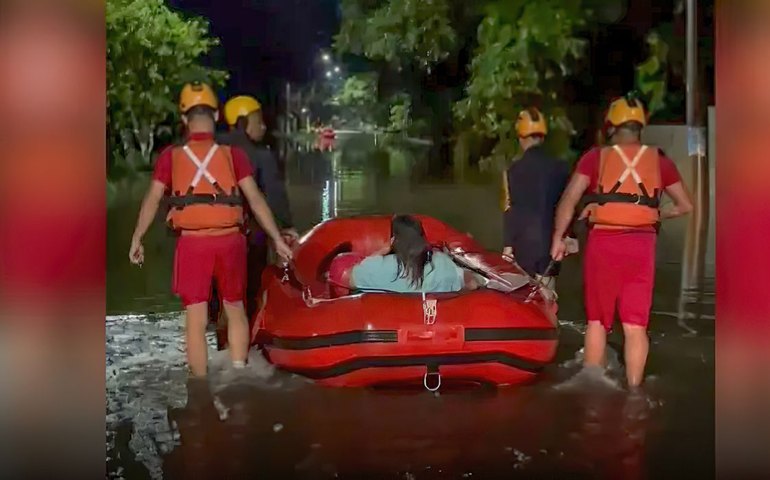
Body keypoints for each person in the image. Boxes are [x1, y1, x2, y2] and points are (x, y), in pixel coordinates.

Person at [128, 82, 293, 378]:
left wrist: (137, 238)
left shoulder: (170, 157)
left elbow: (152, 200)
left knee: (195, 317)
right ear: (216, 116)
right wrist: (277, 239)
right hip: (231, 242)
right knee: (235, 308)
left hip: (193, 244)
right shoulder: (234, 155)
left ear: (183, 119)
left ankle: (201, 385)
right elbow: (255, 199)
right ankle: (240, 374)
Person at [550, 95, 693, 388]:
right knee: (635, 325)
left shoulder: (595, 157)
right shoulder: (660, 161)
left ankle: (591, 391)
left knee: (597, 322)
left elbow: (568, 200)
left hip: (604, 243)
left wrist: (558, 238)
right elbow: (685, 206)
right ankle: (635, 391)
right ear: (641, 127)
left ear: (611, 127)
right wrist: (653, 213)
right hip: (642, 247)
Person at [207, 95, 297, 334]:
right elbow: (274, 197)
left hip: (206, 238)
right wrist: (284, 229)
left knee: (216, 299)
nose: (264, 127)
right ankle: (246, 343)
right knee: (249, 293)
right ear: (244, 122)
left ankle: (220, 339)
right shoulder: (260, 154)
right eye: (258, 122)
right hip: (247, 238)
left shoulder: (208, 150)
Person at [502, 107, 574, 289]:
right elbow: (568, 205)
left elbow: (511, 209)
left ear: (520, 137)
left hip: (522, 247)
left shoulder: (513, 170)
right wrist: (568, 237)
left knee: (524, 303)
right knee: (547, 301)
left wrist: (508, 245)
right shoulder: (561, 167)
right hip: (550, 246)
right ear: (542, 137)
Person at [330, 215, 477, 294]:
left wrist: (382, 250)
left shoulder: (380, 267)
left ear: (395, 240)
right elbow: (471, 283)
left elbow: (343, 277)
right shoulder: (442, 263)